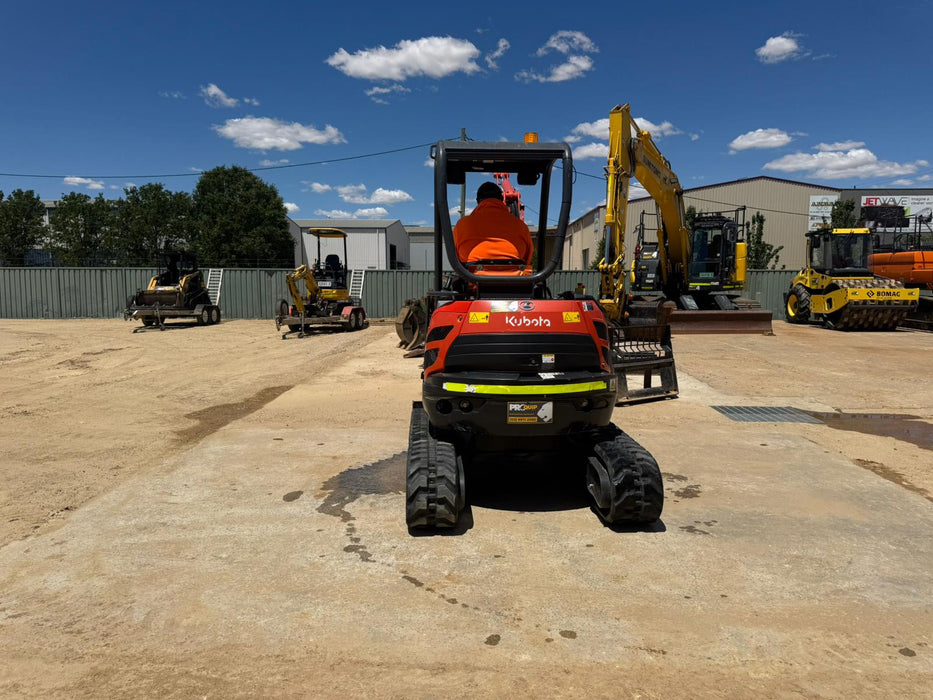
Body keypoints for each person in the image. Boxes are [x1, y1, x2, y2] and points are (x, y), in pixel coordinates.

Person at [453, 182, 533, 265]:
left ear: (477, 201)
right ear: (502, 199)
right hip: (514, 276)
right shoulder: (521, 226)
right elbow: (527, 258)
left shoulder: (462, 225)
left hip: (472, 276)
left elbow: (455, 256)